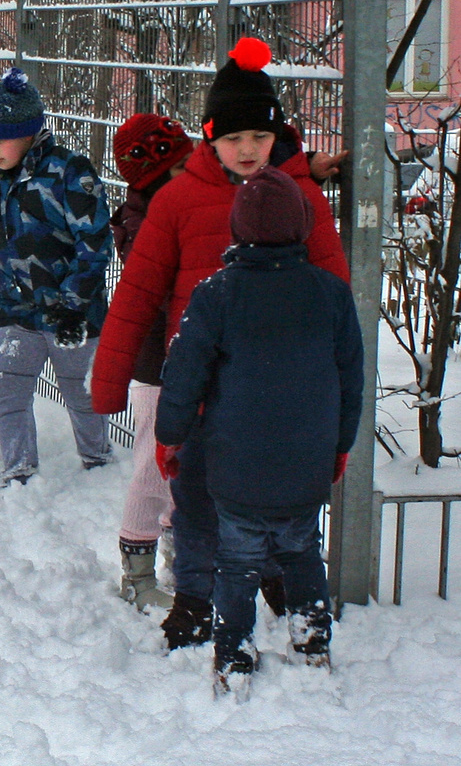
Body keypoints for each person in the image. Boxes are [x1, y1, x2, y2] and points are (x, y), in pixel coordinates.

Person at [91, 37, 349, 650]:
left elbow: (333, 301)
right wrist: (109, 378)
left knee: (274, 492)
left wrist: (332, 388)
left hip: (276, 389)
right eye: (233, 139)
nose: (247, 151)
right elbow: (138, 292)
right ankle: (195, 598)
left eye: (258, 139)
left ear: (275, 135)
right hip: (201, 379)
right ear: (210, 137)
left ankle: (282, 583)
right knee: (196, 497)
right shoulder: (179, 198)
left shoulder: (302, 197)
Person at [155, 166, 363, 693]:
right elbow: (351, 379)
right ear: (301, 228)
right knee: (301, 553)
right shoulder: (332, 296)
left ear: (237, 229)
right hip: (305, 468)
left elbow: (183, 376)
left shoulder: (215, 294)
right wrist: (339, 446)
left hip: (235, 468)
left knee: (237, 563)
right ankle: (313, 643)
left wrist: (170, 436)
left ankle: (233, 657)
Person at [0, 67, 114, 486]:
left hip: (69, 315)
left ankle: (98, 465)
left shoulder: (70, 173)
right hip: (16, 309)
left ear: (31, 133)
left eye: (1, 137)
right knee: (9, 392)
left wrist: (73, 306)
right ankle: (18, 472)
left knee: (81, 394)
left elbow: (95, 245)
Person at [109, 113, 192, 611]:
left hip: (188, 358)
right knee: (152, 468)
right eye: (181, 168)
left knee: (184, 468)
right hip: (155, 363)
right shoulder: (143, 222)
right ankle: (136, 575)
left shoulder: (179, 207)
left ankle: (179, 561)